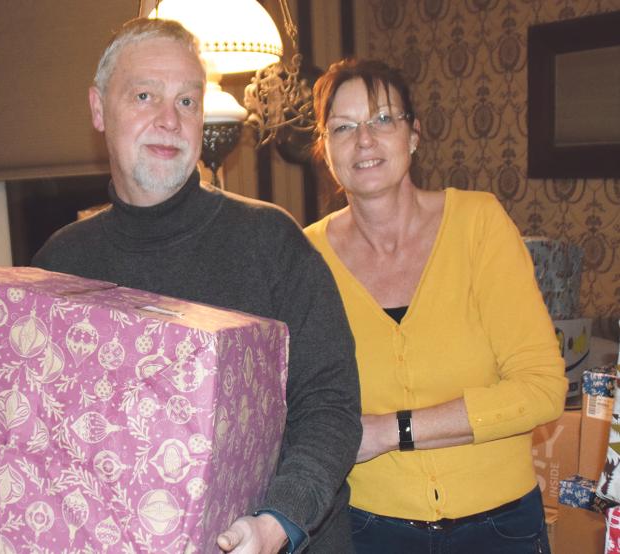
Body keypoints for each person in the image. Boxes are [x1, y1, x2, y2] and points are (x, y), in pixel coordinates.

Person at [32, 18, 361, 554]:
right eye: (145, 96)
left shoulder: (270, 241)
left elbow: (330, 404)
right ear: (98, 109)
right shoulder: (59, 266)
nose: (169, 119)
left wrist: (277, 522)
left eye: (187, 101)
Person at [302, 58, 566, 553]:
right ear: (326, 149)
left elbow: (543, 389)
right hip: (367, 530)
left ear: (414, 135)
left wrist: (388, 431)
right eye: (343, 127)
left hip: (500, 528)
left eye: (383, 119)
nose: (364, 140)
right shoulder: (305, 257)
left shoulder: (478, 224)